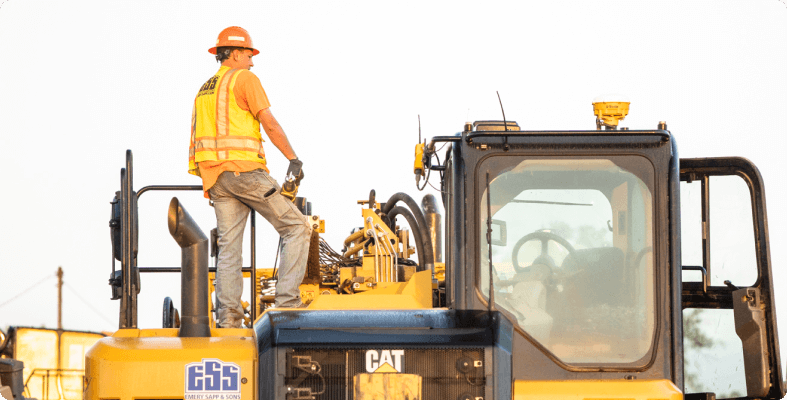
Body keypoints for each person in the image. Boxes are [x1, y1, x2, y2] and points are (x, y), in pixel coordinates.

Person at [188, 26, 311, 328]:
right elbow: (268, 122)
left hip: (216, 177)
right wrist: (293, 159)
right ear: (234, 53)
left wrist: (208, 181)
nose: (252, 61)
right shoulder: (245, 79)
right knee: (298, 227)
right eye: (248, 54)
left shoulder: (205, 88)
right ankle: (286, 306)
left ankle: (228, 320)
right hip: (245, 172)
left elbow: (198, 138)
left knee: (229, 248)